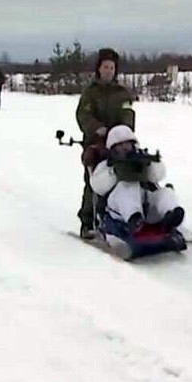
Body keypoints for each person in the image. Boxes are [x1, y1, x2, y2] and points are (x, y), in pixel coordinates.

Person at [89, 125, 185, 258]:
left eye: (127, 144)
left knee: (165, 193)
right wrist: (115, 172)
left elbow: (159, 175)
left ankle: (171, 217)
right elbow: (97, 186)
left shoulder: (141, 159)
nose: (124, 148)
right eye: (120, 145)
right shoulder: (106, 166)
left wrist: (149, 164)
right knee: (128, 187)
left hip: (146, 205)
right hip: (120, 211)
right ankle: (134, 220)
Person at [75, 48, 136, 239]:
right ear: (99, 69)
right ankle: (88, 222)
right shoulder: (90, 92)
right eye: (106, 67)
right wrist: (97, 128)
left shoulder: (122, 93)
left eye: (112, 67)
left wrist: (123, 131)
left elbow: (128, 114)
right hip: (96, 145)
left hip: (120, 144)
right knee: (94, 181)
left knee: (128, 176)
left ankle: (127, 215)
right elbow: (83, 115)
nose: (109, 70)